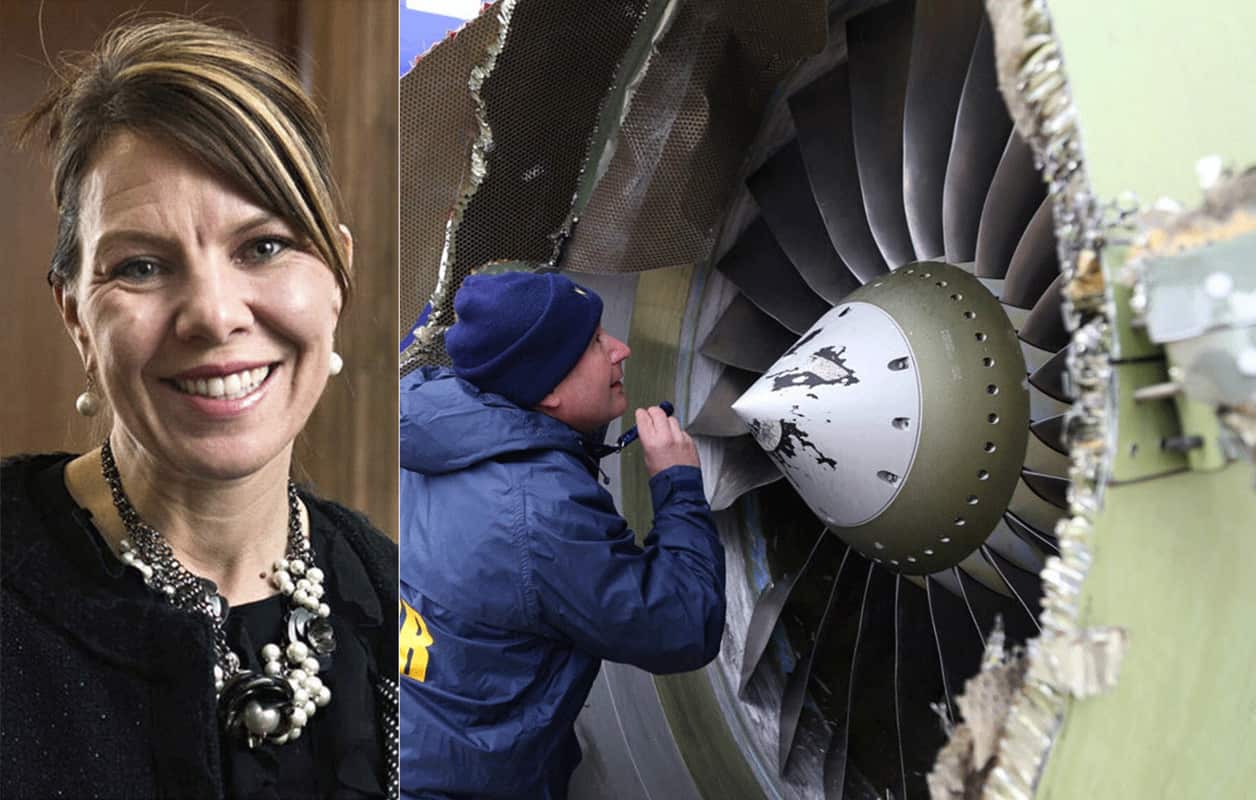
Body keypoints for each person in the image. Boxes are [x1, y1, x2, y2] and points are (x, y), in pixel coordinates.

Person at [0, 18, 397, 798]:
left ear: (338, 278)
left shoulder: (391, 588)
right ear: (78, 315)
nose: (214, 316)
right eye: (142, 266)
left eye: (264, 247)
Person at [398, 270, 727, 799]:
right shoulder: (540, 517)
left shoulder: (427, 415)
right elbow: (684, 624)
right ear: (546, 390)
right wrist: (678, 484)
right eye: (596, 344)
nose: (620, 349)